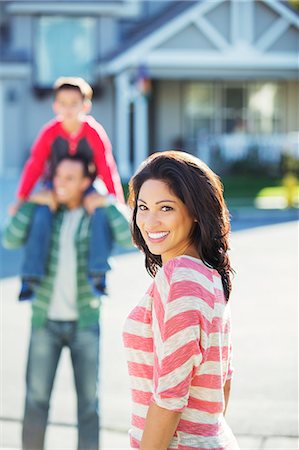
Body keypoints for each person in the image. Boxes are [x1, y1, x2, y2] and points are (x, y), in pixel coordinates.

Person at [2, 155, 132, 450]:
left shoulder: (95, 216)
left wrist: (108, 204)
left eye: (70, 178)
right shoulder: (45, 215)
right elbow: (9, 239)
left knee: (89, 405)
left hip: (85, 323)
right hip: (44, 321)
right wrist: (32, 202)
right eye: (58, 176)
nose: (61, 184)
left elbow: (129, 238)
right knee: (35, 401)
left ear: (86, 183)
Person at [123, 150, 239, 450]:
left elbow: (169, 399)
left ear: (196, 211)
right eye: (143, 207)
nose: (149, 221)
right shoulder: (208, 274)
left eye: (166, 208)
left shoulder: (181, 277)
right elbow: (223, 380)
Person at [11, 76, 124, 300]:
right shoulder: (50, 132)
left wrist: (114, 198)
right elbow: (34, 164)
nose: (68, 108)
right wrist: (22, 197)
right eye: (63, 103)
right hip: (54, 185)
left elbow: (105, 165)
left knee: (99, 212)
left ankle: (98, 273)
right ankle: (30, 277)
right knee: (41, 214)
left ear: (85, 105)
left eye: (74, 103)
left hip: (85, 185)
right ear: (55, 105)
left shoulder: (93, 132)